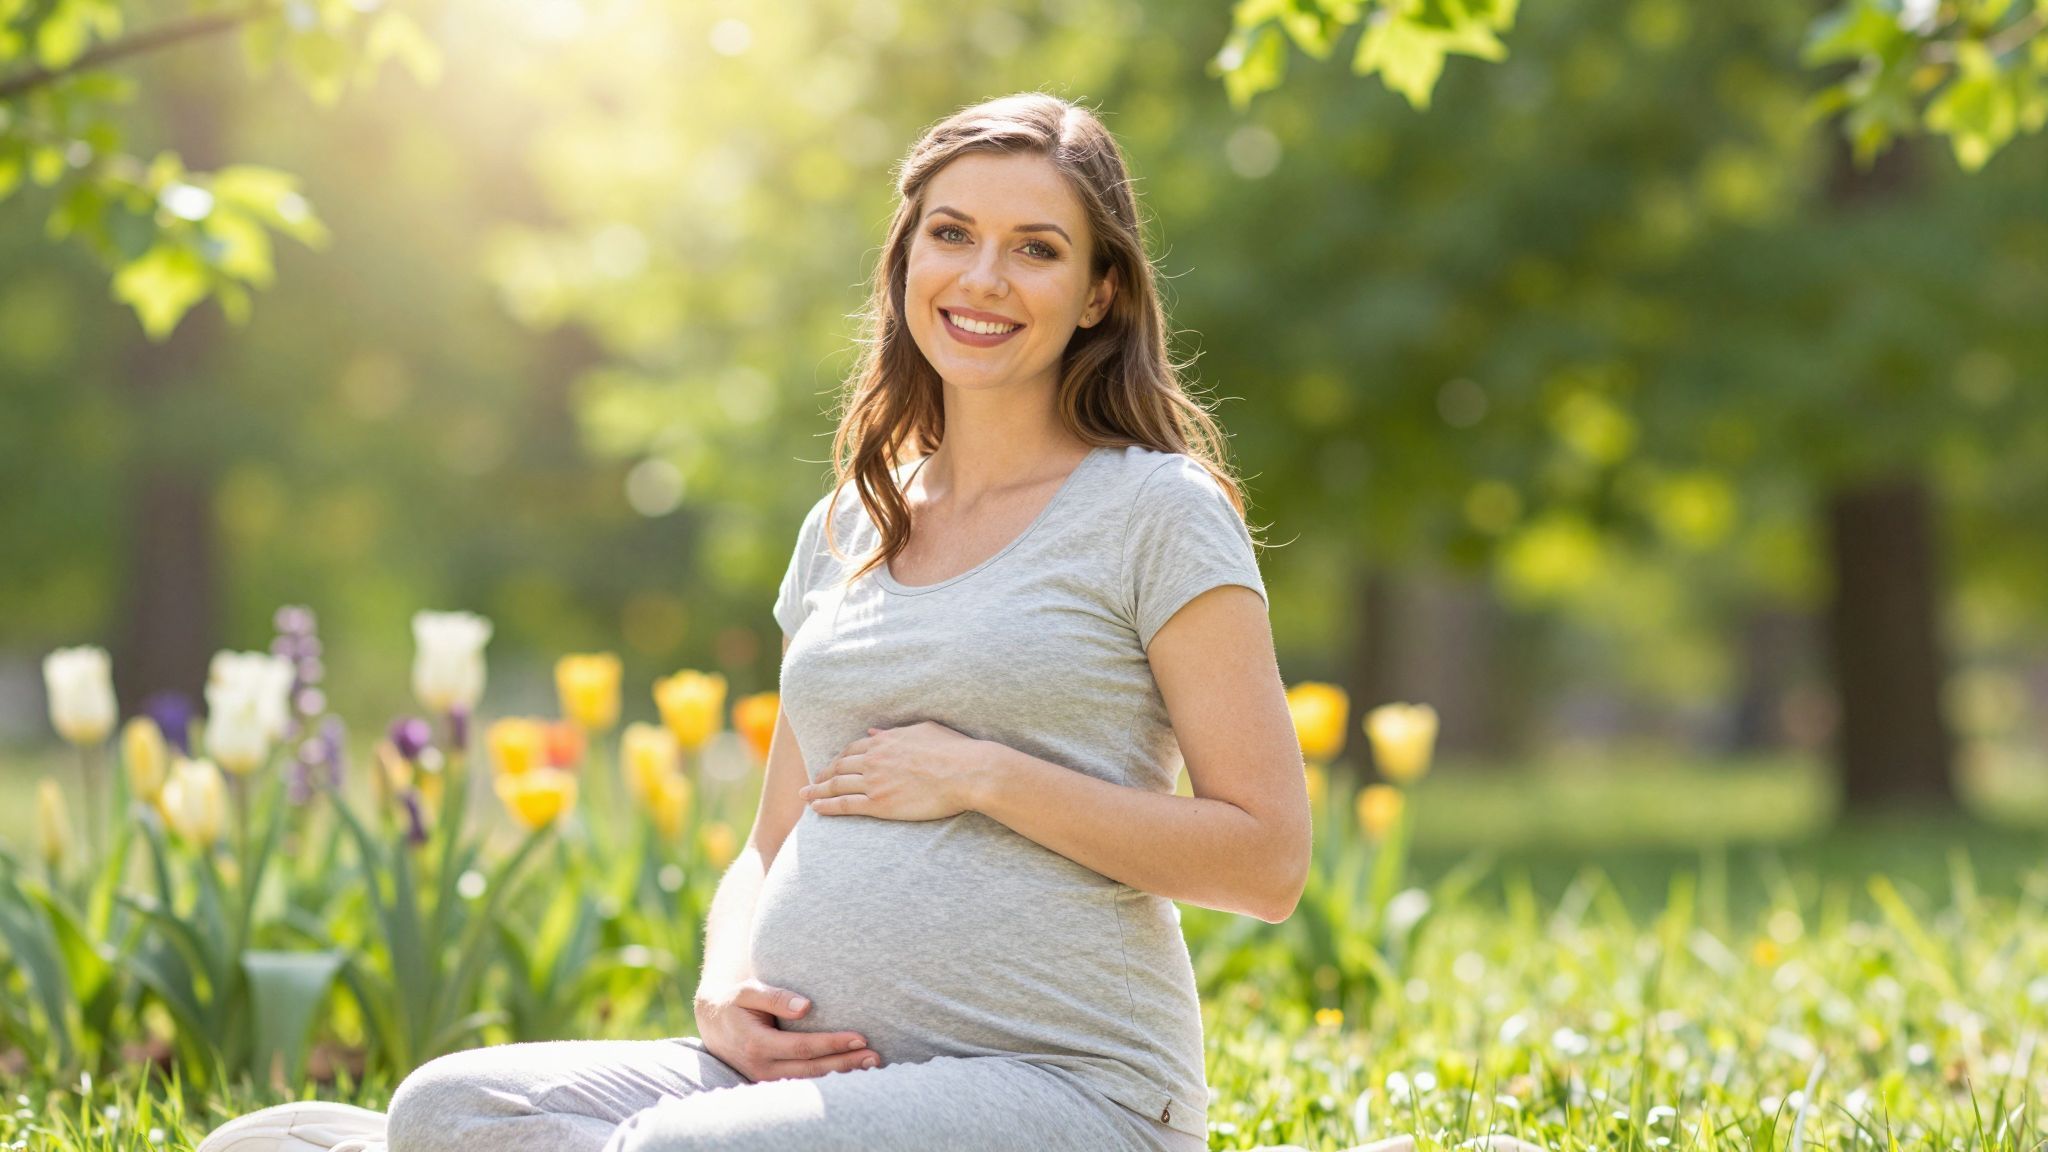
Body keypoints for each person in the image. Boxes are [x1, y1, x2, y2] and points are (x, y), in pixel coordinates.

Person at [198, 90, 1311, 1152]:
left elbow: (1264, 861)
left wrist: (984, 776)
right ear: (905, 260)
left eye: (1036, 247)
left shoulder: (1153, 509)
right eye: (950, 234)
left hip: (1070, 1089)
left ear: (1099, 291)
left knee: (678, 1149)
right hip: (804, 1081)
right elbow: (765, 842)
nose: (982, 276)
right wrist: (724, 975)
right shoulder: (847, 524)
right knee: (448, 1103)